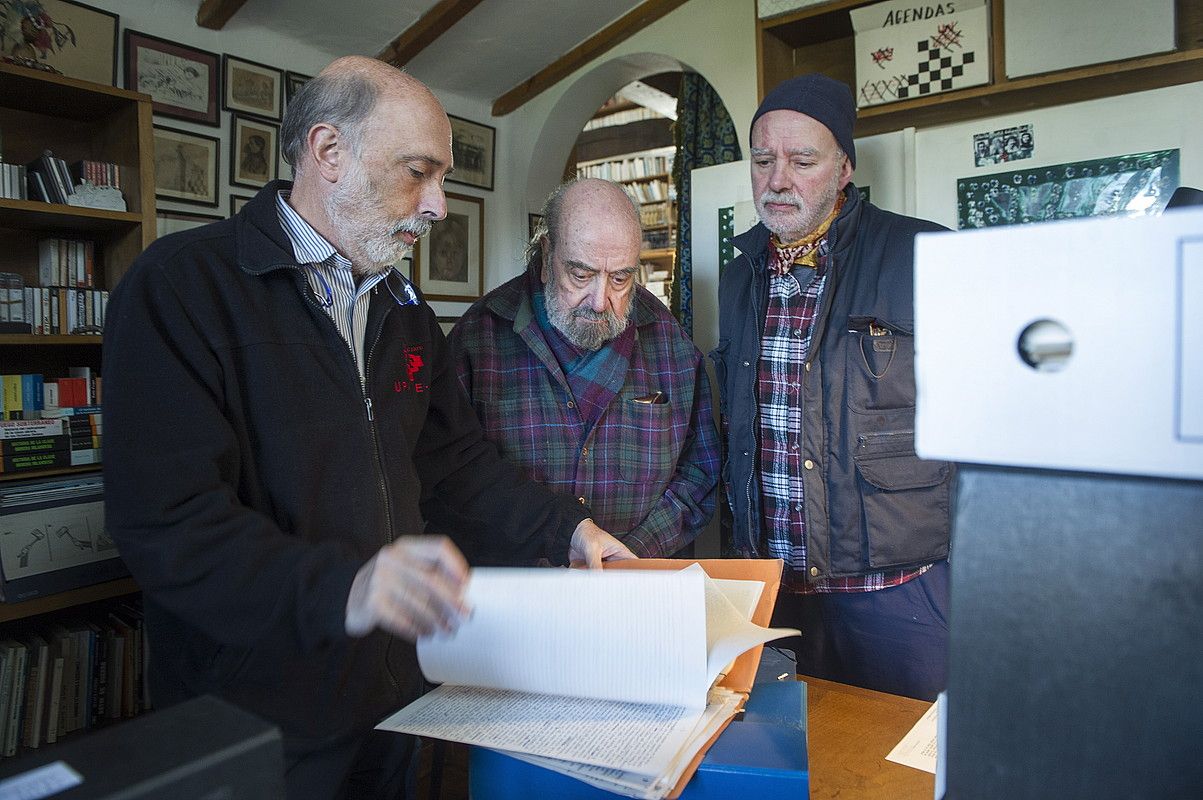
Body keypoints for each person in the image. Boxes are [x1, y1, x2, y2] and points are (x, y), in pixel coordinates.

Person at [103, 56, 634, 800]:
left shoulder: (407, 310)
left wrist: (568, 529)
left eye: (441, 177)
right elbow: (167, 523)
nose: (438, 205)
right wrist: (348, 589)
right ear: (328, 153)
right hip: (248, 717)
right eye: (418, 171)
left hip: (391, 698)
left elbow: (451, 465)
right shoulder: (180, 288)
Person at [711, 73, 955, 701]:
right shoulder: (740, 276)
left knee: (909, 778)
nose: (779, 179)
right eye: (763, 160)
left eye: (803, 160)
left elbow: (993, 416)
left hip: (897, 594)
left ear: (845, 167)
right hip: (773, 595)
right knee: (796, 774)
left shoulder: (923, 253)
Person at [427, 179, 720, 562]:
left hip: (631, 585)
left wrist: (627, 554)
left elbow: (699, 473)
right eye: (581, 275)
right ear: (548, 256)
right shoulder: (477, 340)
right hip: (515, 595)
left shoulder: (671, 345)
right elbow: (451, 478)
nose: (601, 302)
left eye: (620, 278)